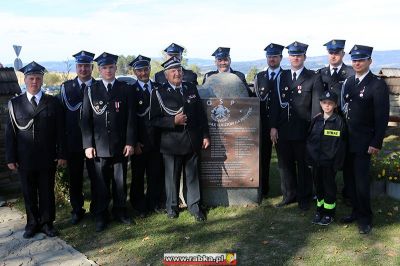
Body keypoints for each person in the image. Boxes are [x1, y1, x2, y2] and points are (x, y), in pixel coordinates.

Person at [5, 61, 66, 238]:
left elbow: (60, 131)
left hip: (47, 156)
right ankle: (32, 223)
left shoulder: (52, 102)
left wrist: (62, 153)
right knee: (28, 192)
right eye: (31, 78)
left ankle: (47, 223)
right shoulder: (15, 104)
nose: (34, 81)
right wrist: (11, 157)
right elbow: (10, 133)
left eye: (38, 78)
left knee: (47, 191)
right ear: (25, 80)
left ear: (42, 80)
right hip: (24, 158)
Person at [150, 56, 210, 222]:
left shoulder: (191, 88)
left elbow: (200, 114)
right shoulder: (159, 92)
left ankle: (195, 207)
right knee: (171, 178)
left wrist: (205, 135)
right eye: (173, 71)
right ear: (166, 74)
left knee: (192, 176)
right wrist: (172, 121)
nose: (177, 73)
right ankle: (172, 207)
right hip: (171, 143)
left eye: (179, 70)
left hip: (192, 140)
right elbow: (153, 120)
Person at [81, 52, 136, 232]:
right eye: (104, 67)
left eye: (111, 67)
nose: (108, 70)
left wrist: (130, 142)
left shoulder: (125, 89)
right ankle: (101, 215)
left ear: (115, 68)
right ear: (99, 69)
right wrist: (88, 145)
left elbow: (130, 119)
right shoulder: (91, 90)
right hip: (99, 146)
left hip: (120, 145)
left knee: (120, 182)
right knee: (101, 183)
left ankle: (120, 211)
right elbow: (86, 120)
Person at [340, 45, 389, 234]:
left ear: (370, 61)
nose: (357, 63)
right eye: (354, 60)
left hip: (364, 141)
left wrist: (376, 142)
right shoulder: (350, 82)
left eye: (361, 60)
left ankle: (365, 218)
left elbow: (382, 116)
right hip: (347, 140)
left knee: (361, 181)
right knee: (349, 180)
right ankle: (355, 211)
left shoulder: (377, 84)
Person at [270, 41, 324, 210]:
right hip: (283, 129)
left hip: (303, 130)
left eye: (299, 55)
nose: (295, 58)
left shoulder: (313, 77)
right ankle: (289, 195)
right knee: (284, 166)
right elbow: (274, 105)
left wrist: (315, 130)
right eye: (293, 55)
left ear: (304, 57)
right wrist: (273, 126)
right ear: (288, 57)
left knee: (304, 166)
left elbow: (316, 107)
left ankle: (304, 198)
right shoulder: (281, 77)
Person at [59, 50, 97, 225]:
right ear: (76, 67)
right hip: (73, 142)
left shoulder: (98, 87)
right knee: (75, 179)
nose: (83, 69)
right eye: (80, 66)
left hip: (96, 142)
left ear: (92, 67)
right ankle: (77, 209)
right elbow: (60, 119)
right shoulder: (66, 88)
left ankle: (98, 208)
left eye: (86, 66)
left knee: (97, 178)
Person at [128, 55, 164, 217]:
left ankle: (154, 202)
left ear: (150, 69)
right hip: (140, 143)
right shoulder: (130, 91)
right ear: (135, 72)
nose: (143, 73)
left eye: (146, 69)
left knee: (155, 173)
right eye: (140, 70)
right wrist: (134, 142)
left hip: (157, 140)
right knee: (137, 176)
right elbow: (130, 120)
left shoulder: (158, 87)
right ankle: (139, 205)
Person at [306, 91, 346, 225]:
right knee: (318, 187)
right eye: (324, 103)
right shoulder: (316, 120)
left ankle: (329, 213)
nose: (327, 106)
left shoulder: (338, 122)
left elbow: (341, 145)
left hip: (330, 162)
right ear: (320, 104)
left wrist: (338, 163)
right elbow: (310, 140)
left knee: (329, 187)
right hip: (316, 162)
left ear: (335, 105)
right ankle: (319, 210)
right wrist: (310, 158)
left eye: (330, 103)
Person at [254, 43, 284, 197]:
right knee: (264, 158)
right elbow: (256, 101)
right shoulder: (260, 77)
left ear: (281, 58)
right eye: (269, 56)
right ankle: (264, 189)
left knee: (285, 160)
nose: (272, 59)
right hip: (264, 123)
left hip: (282, 123)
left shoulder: (285, 75)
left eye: (275, 56)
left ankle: (288, 191)